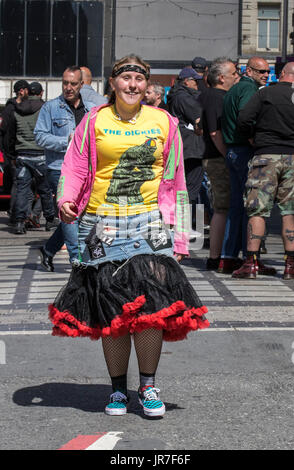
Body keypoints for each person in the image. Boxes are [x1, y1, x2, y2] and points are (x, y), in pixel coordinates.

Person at [48, 54, 209, 418]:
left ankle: (148, 385)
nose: (133, 86)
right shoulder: (93, 121)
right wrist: (66, 199)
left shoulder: (164, 122)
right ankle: (118, 389)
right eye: (126, 79)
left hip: (150, 222)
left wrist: (181, 235)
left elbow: (177, 181)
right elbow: (74, 167)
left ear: (147, 85)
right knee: (113, 312)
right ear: (113, 83)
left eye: (140, 80)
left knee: (151, 309)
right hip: (102, 223)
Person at [232, 62, 294, 279]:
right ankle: (290, 265)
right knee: (290, 210)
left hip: (265, 154)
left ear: (281, 74)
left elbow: (243, 119)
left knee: (257, 209)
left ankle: (251, 264)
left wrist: (251, 136)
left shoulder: (266, 93)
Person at [34, 66, 95, 271]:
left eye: (73, 83)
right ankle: (77, 259)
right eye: (65, 83)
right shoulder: (51, 107)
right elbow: (40, 135)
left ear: (82, 84)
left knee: (75, 214)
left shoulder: (90, 109)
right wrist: (65, 141)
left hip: (84, 170)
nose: (68, 87)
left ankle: (49, 250)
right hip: (58, 167)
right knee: (71, 213)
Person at [218, 56, 273, 275]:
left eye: (268, 72)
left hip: (233, 150)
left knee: (236, 206)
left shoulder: (233, 89)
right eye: (261, 72)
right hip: (243, 150)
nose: (265, 76)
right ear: (248, 71)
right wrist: (252, 138)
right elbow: (245, 117)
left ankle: (228, 257)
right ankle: (249, 259)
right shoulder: (249, 89)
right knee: (251, 206)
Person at [201, 58, 239, 270]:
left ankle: (222, 255)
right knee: (221, 208)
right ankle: (216, 257)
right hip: (217, 158)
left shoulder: (214, 96)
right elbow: (215, 132)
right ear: (221, 77)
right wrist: (228, 157)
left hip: (216, 156)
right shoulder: (216, 97)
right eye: (233, 73)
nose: (237, 76)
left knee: (222, 207)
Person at [6, 81, 56, 235]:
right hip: (41, 153)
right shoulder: (45, 109)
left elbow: (11, 135)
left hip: (22, 154)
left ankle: (20, 222)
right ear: (41, 93)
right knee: (45, 190)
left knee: (22, 189)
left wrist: (12, 155)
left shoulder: (17, 109)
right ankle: (49, 220)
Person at [167, 67, 205, 234]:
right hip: (191, 148)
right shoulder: (184, 97)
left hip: (184, 146)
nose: (197, 84)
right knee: (190, 189)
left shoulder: (176, 95)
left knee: (184, 188)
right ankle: (183, 227)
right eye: (195, 81)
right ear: (186, 81)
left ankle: (180, 225)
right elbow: (199, 117)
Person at [0, 80, 30, 224]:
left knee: (18, 184)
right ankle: (16, 214)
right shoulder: (10, 110)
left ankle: (18, 214)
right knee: (18, 184)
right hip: (12, 154)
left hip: (15, 152)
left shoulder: (17, 108)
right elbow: (5, 133)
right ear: (21, 91)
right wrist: (8, 153)